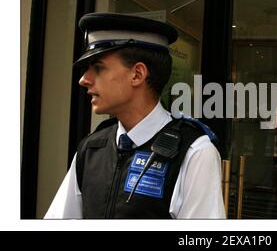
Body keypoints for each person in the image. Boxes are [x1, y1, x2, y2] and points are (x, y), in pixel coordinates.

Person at [44, 12, 226, 219]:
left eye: (98, 68)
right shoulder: (92, 148)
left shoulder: (193, 152)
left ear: (138, 74)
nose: (84, 79)